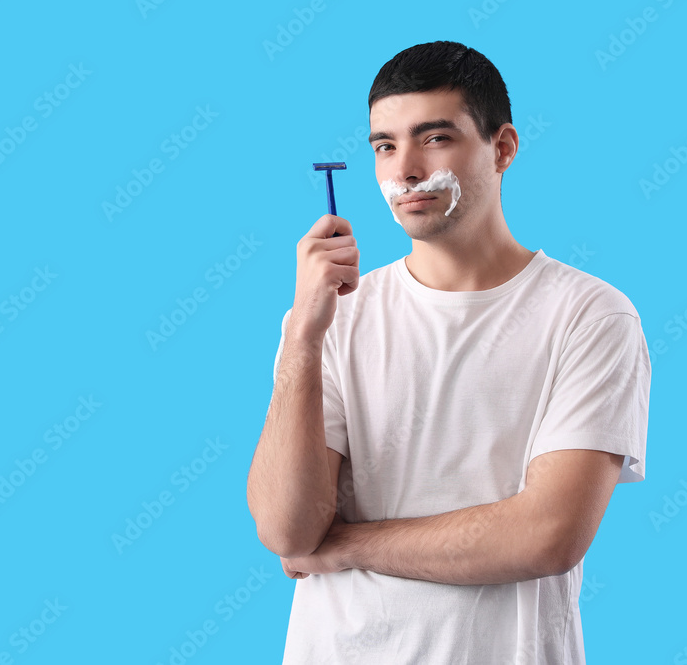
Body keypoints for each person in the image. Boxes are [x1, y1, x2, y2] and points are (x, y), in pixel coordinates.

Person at [246, 40, 651, 664]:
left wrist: (346, 546)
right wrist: (303, 332)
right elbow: (286, 529)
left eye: (434, 138)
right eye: (384, 145)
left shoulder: (589, 316)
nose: (404, 169)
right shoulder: (331, 320)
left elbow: (548, 536)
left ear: (504, 148)